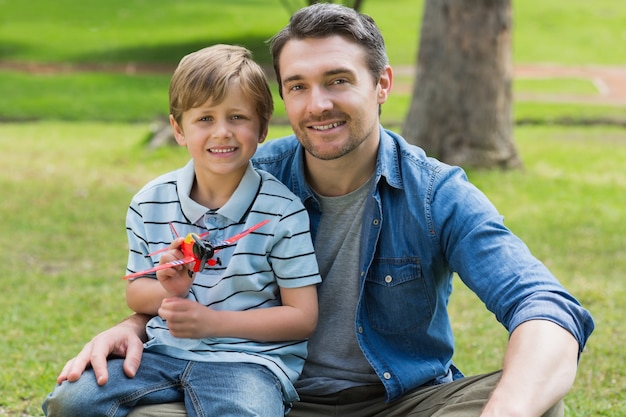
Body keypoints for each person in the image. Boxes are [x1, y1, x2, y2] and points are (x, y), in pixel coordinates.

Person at [53, 4, 595, 417]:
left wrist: (508, 411)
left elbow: (543, 304)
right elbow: (195, 273)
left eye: (338, 80)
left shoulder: (435, 193)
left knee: (533, 397)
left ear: (381, 85)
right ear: (282, 100)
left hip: (399, 403)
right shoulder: (247, 172)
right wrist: (134, 322)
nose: (318, 104)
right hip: (264, 392)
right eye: (298, 86)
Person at [42, 44, 321, 417]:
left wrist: (213, 323)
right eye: (204, 119)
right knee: (72, 401)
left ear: (263, 127)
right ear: (178, 129)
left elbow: (301, 318)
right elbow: (136, 293)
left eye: (237, 116)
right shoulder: (150, 202)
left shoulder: (283, 212)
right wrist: (171, 289)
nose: (222, 132)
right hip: (162, 353)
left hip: (248, 363)